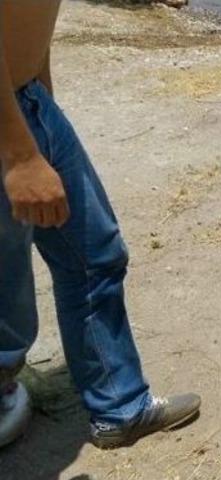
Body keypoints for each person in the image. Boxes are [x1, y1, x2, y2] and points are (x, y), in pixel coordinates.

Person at [0, 1, 200, 449]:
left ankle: (120, 406)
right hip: (8, 122)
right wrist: (21, 155)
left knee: (94, 255)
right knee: (7, 294)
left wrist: (45, 109)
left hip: (29, 102)